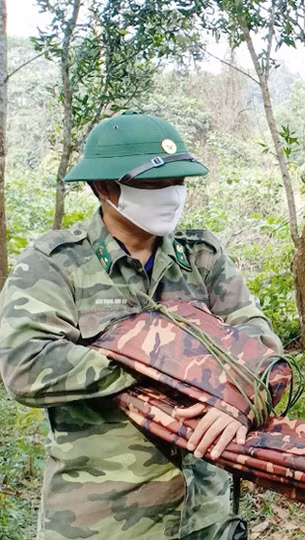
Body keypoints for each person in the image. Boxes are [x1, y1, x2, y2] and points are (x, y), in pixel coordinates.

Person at [0, 111, 282, 539]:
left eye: (179, 182)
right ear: (103, 187)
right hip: (103, 518)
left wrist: (238, 403)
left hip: (206, 512)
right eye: (152, 184)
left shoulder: (201, 258)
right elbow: (27, 365)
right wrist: (165, 363)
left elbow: (262, 349)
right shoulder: (57, 264)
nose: (171, 194)